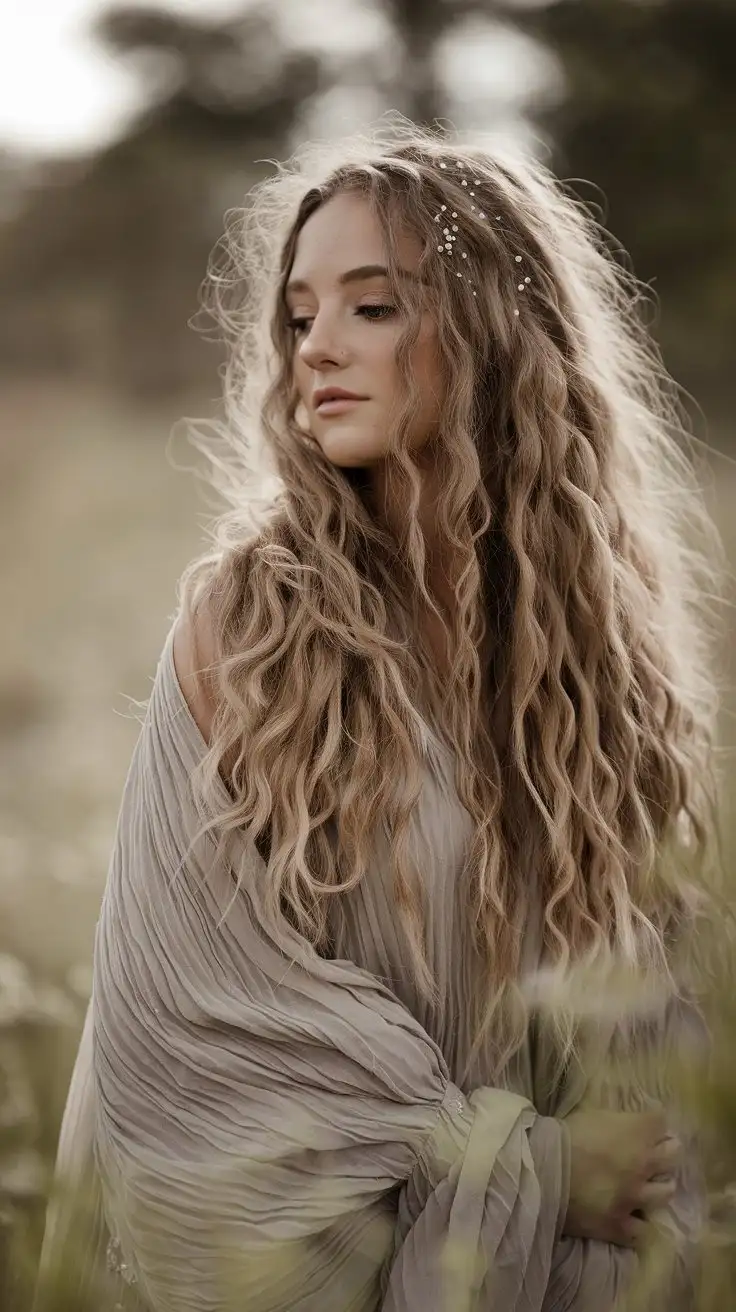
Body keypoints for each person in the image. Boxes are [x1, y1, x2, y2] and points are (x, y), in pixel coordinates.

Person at [35, 119, 725, 1312]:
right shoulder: (248, 630)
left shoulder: (601, 664)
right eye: (300, 316)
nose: (317, 350)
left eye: (373, 305)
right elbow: (198, 1031)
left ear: (494, 332)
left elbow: (652, 1025)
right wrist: (534, 1168)